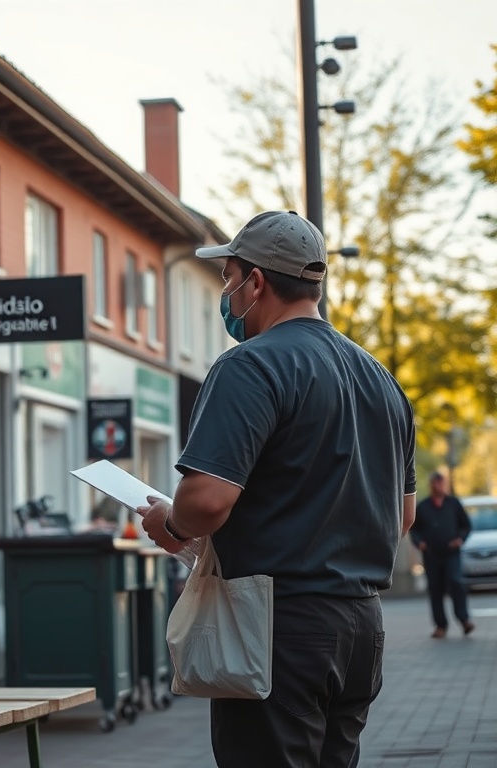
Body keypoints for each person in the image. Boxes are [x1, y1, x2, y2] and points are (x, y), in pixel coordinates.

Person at [137, 210, 416, 768]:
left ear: (255, 281)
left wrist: (171, 524)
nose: (227, 295)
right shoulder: (380, 378)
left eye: (227, 279)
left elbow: (207, 500)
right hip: (362, 627)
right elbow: (402, 515)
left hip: (276, 628)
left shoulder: (250, 365)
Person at [410, 471, 474, 638]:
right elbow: (414, 530)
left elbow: (465, 526)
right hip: (431, 555)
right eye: (436, 483)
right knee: (435, 589)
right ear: (431, 485)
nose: (439, 486)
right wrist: (419, 543)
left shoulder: (454, 504)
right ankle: (440, 626)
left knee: (456, 582)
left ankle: (464, 620)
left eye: (441, 482)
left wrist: (460, 539)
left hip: (452, 553)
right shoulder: (423, 506)